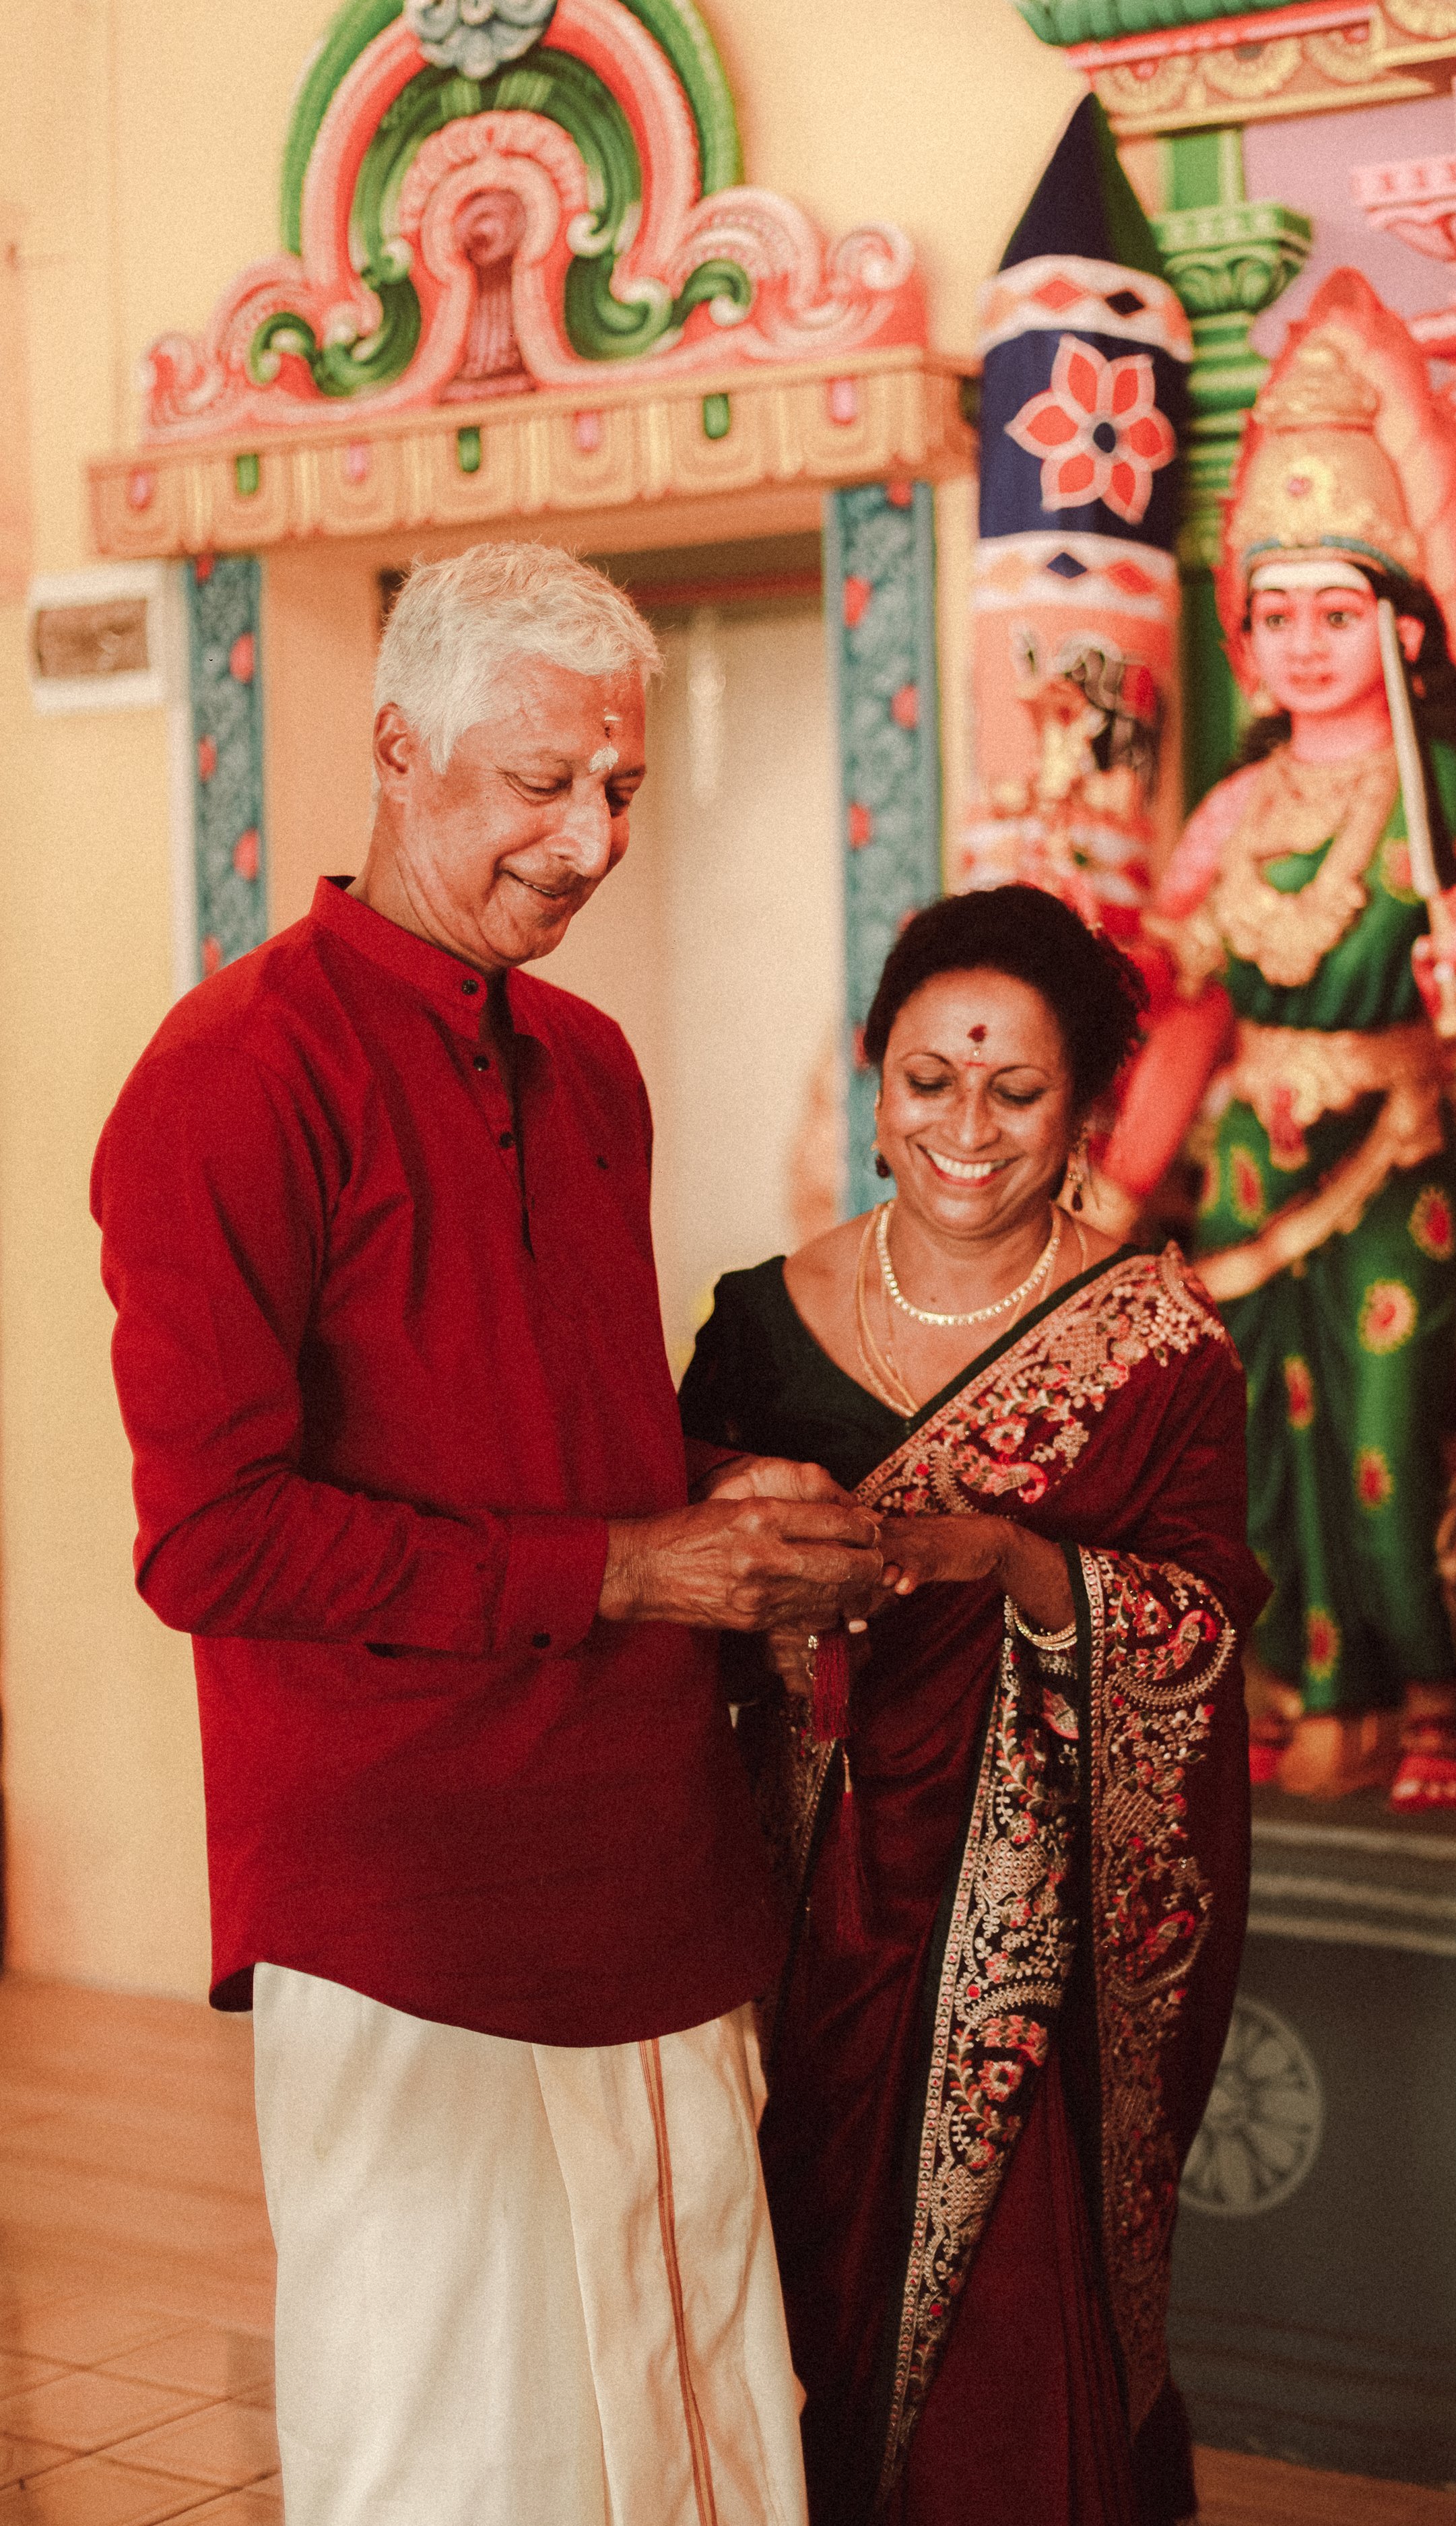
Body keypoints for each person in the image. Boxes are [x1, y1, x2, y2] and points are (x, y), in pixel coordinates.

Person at [92, 541, 885, 2526]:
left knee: (701, 2407)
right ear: (396, 748)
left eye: (619, 785)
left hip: (645, 1847)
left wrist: (717, 1501)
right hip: (408, 1893)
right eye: (541, 781)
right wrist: (633, 1566)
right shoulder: (234, 1073)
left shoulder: (585, 1062)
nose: (591, 835)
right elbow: (212, 1540)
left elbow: (550, 1428)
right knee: (464, 2445)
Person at [680, 885, 1267, 2526]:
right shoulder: (754, 1320)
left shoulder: (1153, 1349)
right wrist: (743, 1511)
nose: (965, 1126)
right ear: (874, 1081)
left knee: (997, 2375)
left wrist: (1015, 1560)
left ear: (1084, 1112)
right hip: (776, 1922)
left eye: (1016, 1093)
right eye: (927, 1078)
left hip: (1023, 1956)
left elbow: (1204, 1627)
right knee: (761, 2310)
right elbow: (666, 1591)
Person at [1111, 268, 1456, 1807]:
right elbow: (1189, 1013)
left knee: (1377, 1435)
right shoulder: (1227, 813)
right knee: (1246, 1457)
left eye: (1332, 612)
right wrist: (1108, 1194)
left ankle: (1429, 1701)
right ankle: (1301, 1691)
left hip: (1391, 1155)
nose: (1296, 644)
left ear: (1404, 626)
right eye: (1270, 615)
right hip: (1238, 1174)